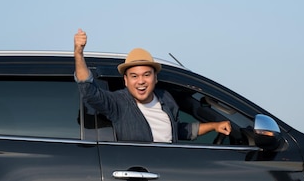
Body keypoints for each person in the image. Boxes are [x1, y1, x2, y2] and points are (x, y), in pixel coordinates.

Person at [74, 28, 231, 143]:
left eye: (146, 75)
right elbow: (89, 91)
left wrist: (214, 125)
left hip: (169, 169)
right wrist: (79, 54)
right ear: (126, 81)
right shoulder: (118, 103)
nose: (141, 81)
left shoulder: (166, 99)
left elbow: (177, 130)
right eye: (134, 76)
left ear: (155, 78)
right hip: (139, 170)